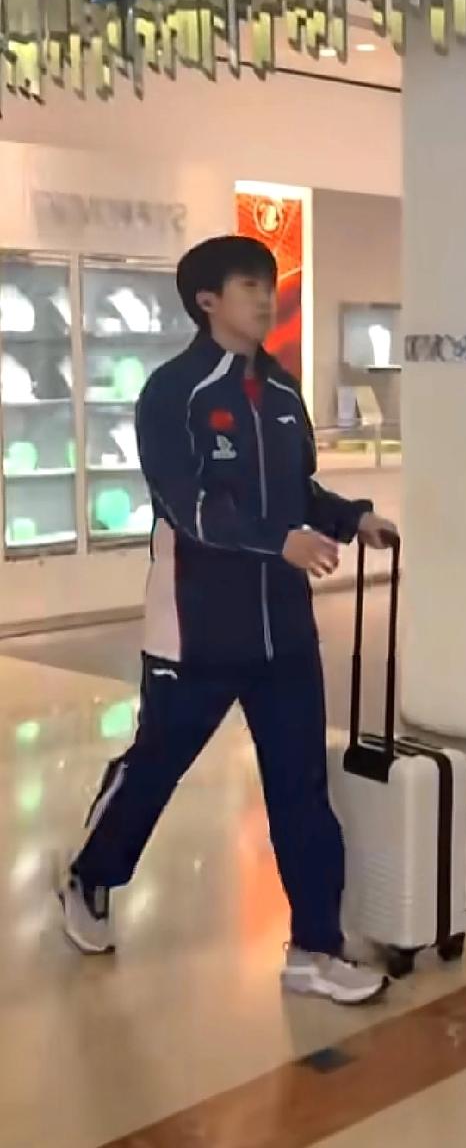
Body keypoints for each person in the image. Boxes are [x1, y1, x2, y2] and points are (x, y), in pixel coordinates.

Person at [58, 235, 397, 1006]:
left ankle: (315, 947)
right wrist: (281, 541)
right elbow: (190, 506)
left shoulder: (281, 393)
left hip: (285, 631)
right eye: (249, 285)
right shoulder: (172, 393)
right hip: (197, 629)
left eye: (268, 284)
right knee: (156, 765)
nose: (265, 298)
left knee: (301, 789)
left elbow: (299, 491)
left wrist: (352, 517)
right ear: (207, 300)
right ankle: (90, 876)